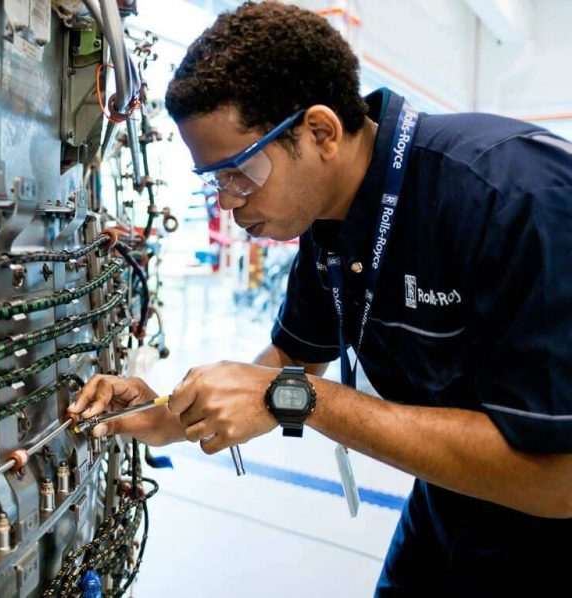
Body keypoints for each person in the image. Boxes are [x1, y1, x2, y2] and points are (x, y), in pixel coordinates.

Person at [69, 3, 572, 594]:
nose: (227, 204)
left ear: (321, 132)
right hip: (452, 499)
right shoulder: (327, 224)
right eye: (215, 181)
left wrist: (303, 401)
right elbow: (290, 362)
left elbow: (556, 478)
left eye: (239, 172)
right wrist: (162, 412)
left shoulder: (513, 197)